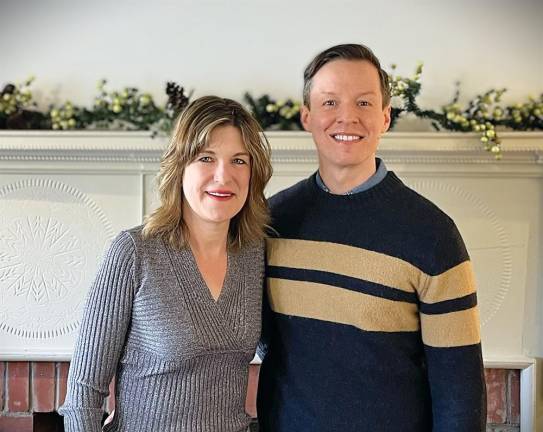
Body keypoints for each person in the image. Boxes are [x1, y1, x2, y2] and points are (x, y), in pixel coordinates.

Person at [257, 44, 486, 431]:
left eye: (364, 103)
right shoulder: (272, 221)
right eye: (330, 102)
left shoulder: (433, 234)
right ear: (307, 117)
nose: (347, 117)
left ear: (385, 118)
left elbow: (460, 391)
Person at [59, 95, 272, 432]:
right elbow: (83, 395)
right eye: (206, 158)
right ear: (180, 167)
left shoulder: (257, 255)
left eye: (239, 161)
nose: (223, 175)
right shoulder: (134, 253)